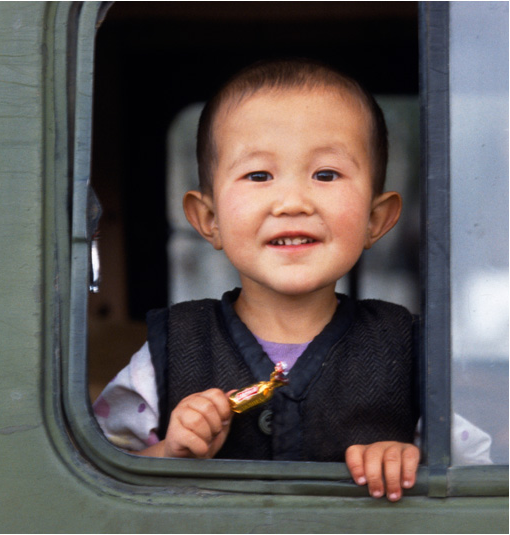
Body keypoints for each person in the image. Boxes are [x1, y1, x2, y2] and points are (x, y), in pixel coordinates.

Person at [92, 59, 491, 502]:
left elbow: (479, 476)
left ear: (376, 219)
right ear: (208, 220)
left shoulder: (410, 350)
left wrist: (412, 460)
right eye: (259, 175)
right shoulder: (170, 350)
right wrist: (169, 453)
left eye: (326, 174)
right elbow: (88, 479)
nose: (292, 201)